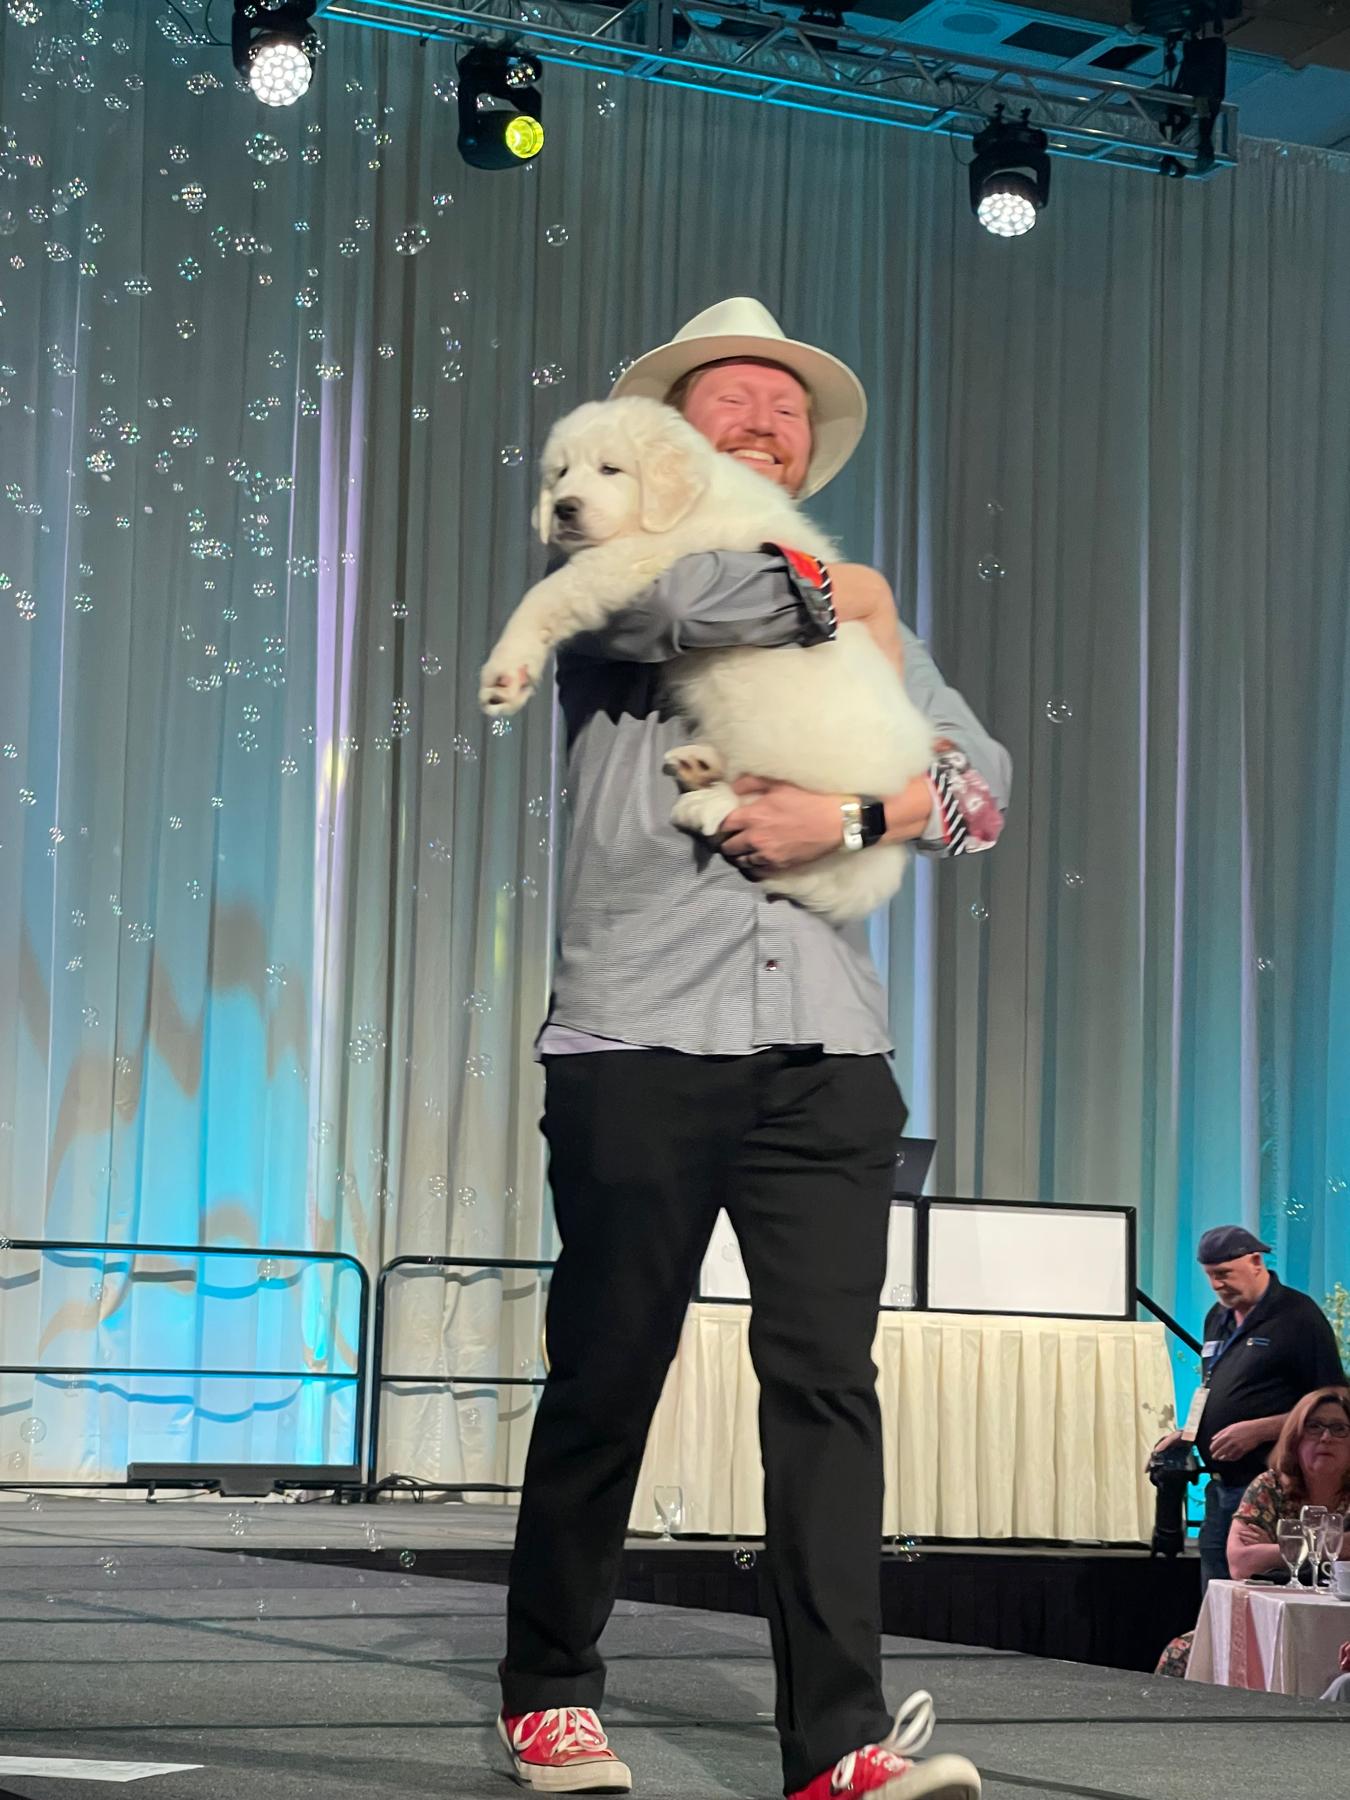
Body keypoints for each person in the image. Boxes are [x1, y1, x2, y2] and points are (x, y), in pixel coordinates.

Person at [495, 299, 1010, 1800]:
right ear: (663, 434)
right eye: (731, 400)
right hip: (637, 1032)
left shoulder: (857, 614)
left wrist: (853, 814)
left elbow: (976, 786)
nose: (764, 423)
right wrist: (845, 596)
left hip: (825, 1051)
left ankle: (836, 1743)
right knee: (608, 1367)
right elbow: (671, 610)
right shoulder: (608, 562)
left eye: (785, 409)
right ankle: (548, 1690)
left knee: (826, 1386)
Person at [1152, 1225, 1344, 1591]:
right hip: (1221, 1488)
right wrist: (1189, 1434)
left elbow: (1333, 1402)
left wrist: (1260, 1429)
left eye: (1224, 1274)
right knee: (1217, 1599)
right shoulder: (1217, 1318)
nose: (1216, 1285)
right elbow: (1211, 1388)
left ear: (1255, 1262)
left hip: (1269, 1491)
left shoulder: (1298, 1316)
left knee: (1258, 1595)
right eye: (1210, 1276)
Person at [1155, 1386, 1350, 1680]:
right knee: (1180, 1651)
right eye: (1314, 1427)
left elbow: (1257, 1558)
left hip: (1340, 1626)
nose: (1326, 1437)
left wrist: (1274, 1550)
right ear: (1294, 1438)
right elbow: (1240, 1562)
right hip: (1266, 1618)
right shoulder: (1270, 1487)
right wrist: (1334, 1545)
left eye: (1339, 1429)